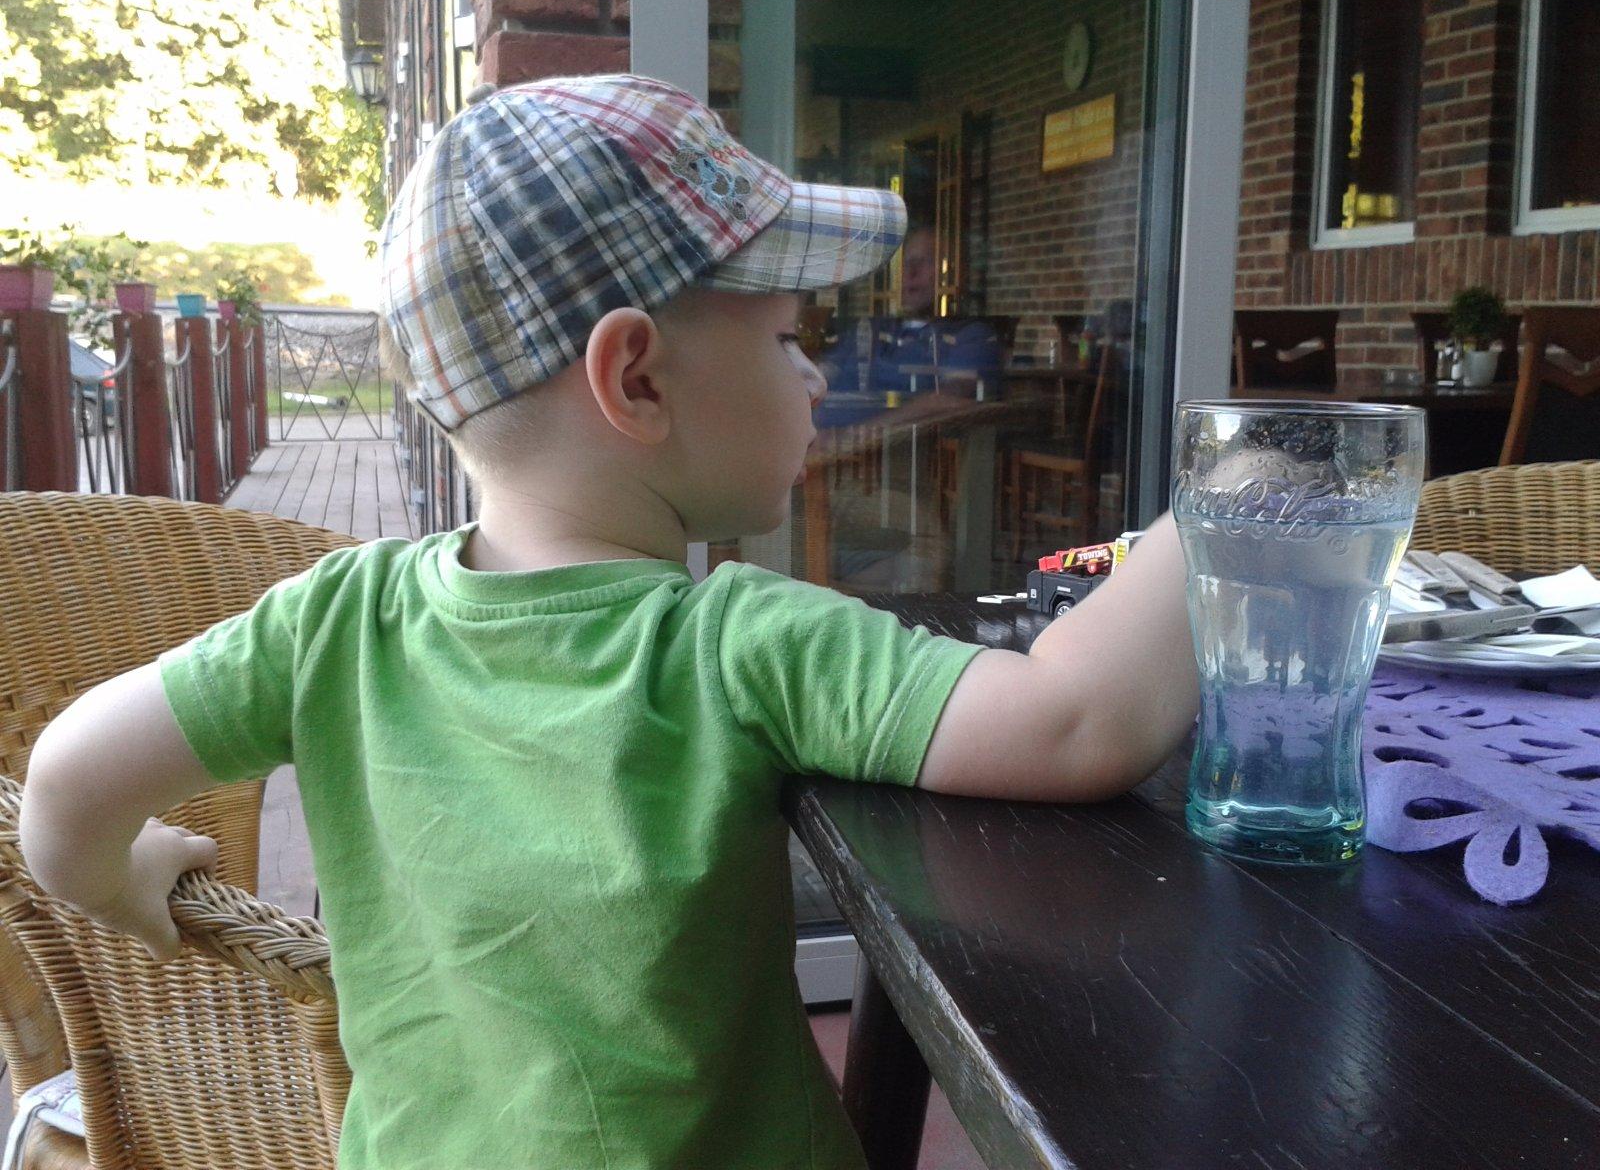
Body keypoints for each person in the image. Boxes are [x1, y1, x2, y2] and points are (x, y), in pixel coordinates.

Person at [18, 75, 1199, 1169]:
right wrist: (1227, 505)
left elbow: (63, 784)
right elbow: (1076, 720)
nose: (812, 379)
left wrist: (123, 880)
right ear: (634, 378)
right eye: (789, 338)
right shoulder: (736, 644)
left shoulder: (333, 620)